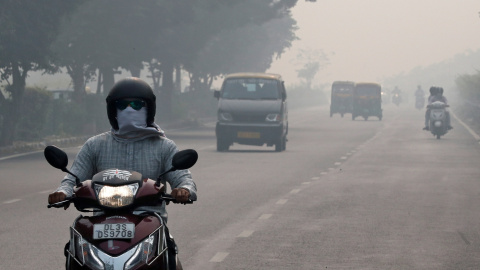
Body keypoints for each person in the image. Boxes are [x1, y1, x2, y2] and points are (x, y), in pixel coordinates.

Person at [48, 77, 197, 270]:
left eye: (136, 104)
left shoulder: (163, 146)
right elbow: (72, 178)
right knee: (74, 251)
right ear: (113, 111)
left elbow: (184, 178)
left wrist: (183, 190)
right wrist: (63, 192)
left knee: (170, 257)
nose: (129, 110)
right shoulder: (95, 145)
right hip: (100, 222)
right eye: (123, 105)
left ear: (148, 109)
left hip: (148, 222)